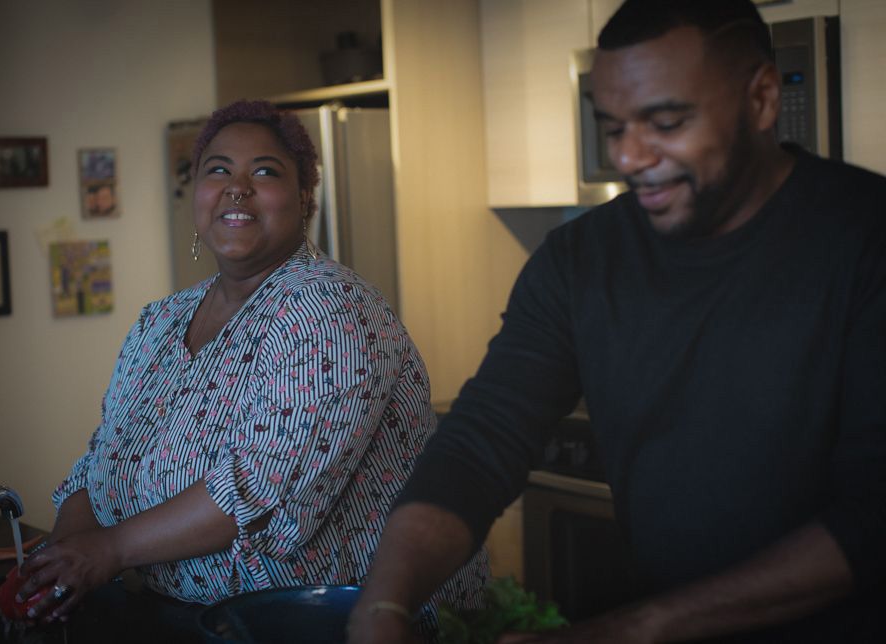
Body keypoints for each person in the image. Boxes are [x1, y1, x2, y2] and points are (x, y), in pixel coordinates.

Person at [348, 0, 886, 642]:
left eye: (664, 122)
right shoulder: (579, 260)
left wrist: (629, 629)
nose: (630, 157)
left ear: (763, 98)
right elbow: (482, 439)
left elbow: (873, 516)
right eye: (614, 127)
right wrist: (383, 604)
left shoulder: (865, 239)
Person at [11, 100, 488, 632]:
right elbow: (104, 457)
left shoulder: (330, 310)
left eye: (264, 171)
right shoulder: (160, 322)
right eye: (218, 170)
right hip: (201, 621)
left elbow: (261, 489)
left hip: (345, 626)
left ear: (305, 198)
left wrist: (109, 549)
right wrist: (66, 556)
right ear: (198, 195)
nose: (237, 187)